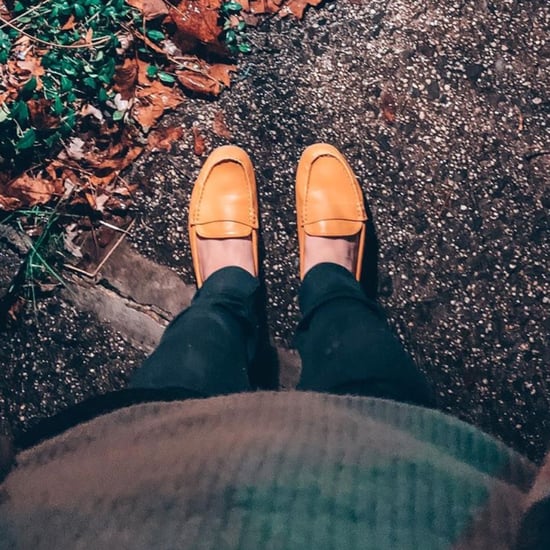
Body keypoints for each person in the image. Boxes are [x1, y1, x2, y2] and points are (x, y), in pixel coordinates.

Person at [0, 144, 547, 549]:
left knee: (185, 373)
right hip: (411, 503)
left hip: (119, 501)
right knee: (362, 365)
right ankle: (329, 278)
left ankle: (231, 287)